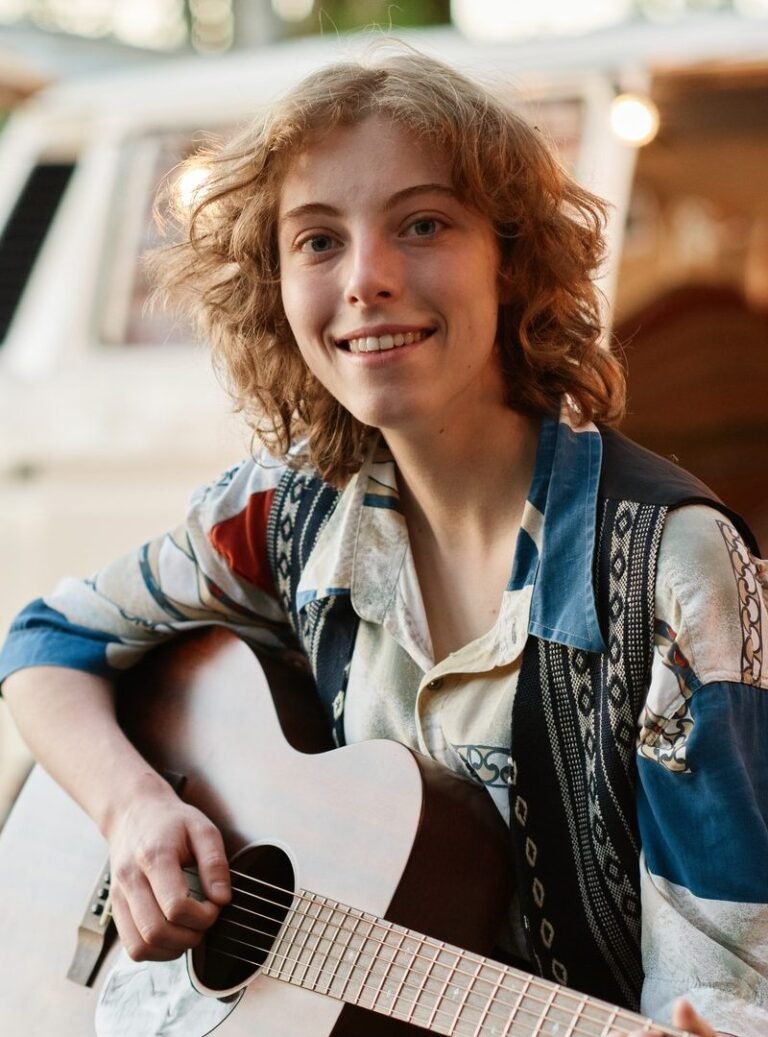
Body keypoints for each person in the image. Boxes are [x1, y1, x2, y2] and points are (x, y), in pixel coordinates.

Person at [1, 46, 766, 1037]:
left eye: (423, 224)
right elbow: (47, 640)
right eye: (317, 240)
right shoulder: (284, 514)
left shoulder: (668, 575)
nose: (366, 278)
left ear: (513, 256)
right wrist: (133, 810)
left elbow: (724, 985)